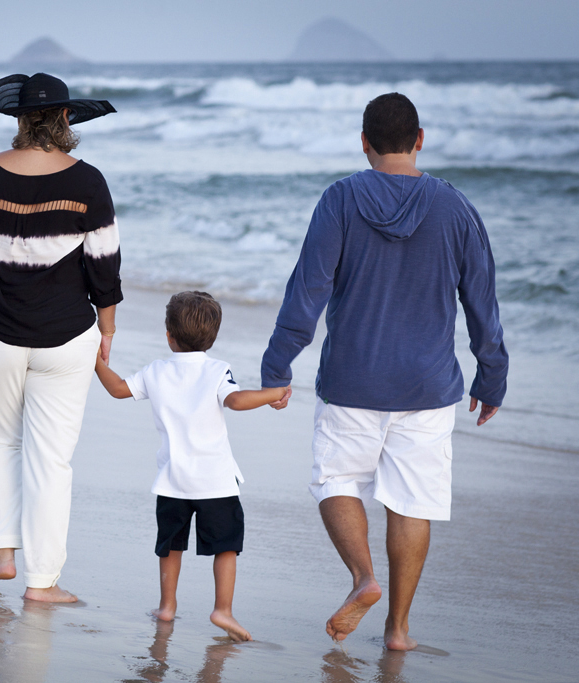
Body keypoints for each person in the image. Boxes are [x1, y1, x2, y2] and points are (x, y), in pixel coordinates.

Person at [259, 93, 509, 649]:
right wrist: (491, 375)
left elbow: (308, 292)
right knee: (412, 502)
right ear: (419, 139)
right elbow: (481, 303)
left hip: (352, 380)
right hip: (429, 387)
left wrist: (277, 367)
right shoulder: (456, 207)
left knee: (335, 480)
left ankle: (362, 578)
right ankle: (397, 630)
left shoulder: (340, 200)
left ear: (364, 142)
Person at [0, 73, 121, 603]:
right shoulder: (88, 181)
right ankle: (44, 583)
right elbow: (104, 266)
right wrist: (106, 330)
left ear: (20, 120)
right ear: (66, 119)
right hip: (66, 337)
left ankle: (1, 553)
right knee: (52, 459)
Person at [94, 291, 290, 641]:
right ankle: (222, 610)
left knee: (171, 545)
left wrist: (96, 362)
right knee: (226, 547)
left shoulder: (155, 370)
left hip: (172, 481)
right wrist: (274, 394)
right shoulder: (217, 369)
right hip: (215, 481)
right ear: (213, 337)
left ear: (168, 335)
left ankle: (167, 607)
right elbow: (236, 401)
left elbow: (118, 390)